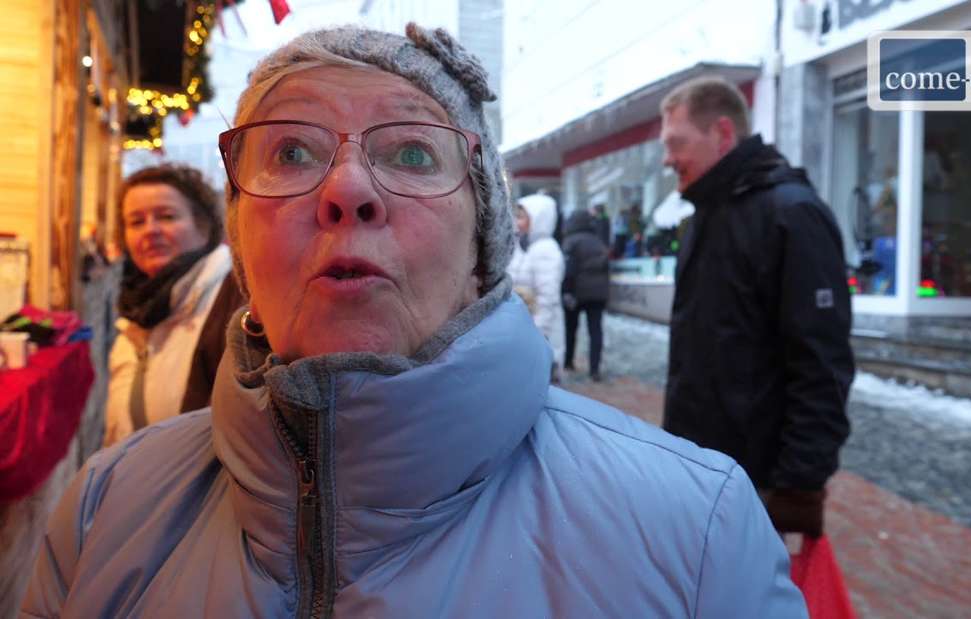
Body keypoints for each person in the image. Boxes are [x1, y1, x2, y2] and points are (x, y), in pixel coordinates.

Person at [21, 26, 806, 618]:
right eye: (290, 152)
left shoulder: (696, 534)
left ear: (481, 249)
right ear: (241, 243)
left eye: (413, 154)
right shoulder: (103, 510)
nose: (347, 189)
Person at [659, 76, 854, 539]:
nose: (667, 159)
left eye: (677, 143)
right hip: (700, 472)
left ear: (722, 133)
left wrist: (799, 488)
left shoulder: (792, 214)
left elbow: (821, 363)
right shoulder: (704, 216)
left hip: (757, 484)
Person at [103, 164, 245, 447]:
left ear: (203, 226)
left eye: (167, 216)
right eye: (136, 222)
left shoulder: (232, 300)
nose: (151, 230)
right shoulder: (138, 309)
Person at [509, 193, 565, 377]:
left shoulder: (545, 250)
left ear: (539, 219)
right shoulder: (524, 245)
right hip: (526, 327)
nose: (517, 222)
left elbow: (548, 297)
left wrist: (539, 333)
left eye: (522, 217)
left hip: (540, 331)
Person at [561, 208, 610, 381]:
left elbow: (569, 270)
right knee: (595, 331)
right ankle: (594, 369)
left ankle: (568, 361)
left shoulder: (570, 241)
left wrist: (567, 291)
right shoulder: (599, 241)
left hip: (576, 292)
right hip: (598, 294)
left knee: (571, 328)